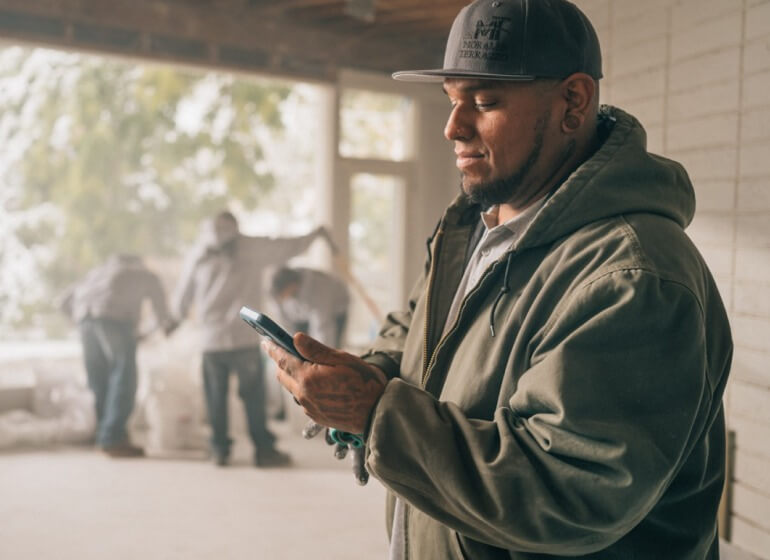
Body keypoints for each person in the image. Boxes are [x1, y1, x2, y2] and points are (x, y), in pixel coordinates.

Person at [262, 0, 734, 558]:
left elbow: (564, 493)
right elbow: (416, 336)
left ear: (573, 102)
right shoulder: (474, 226)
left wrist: (376, 413)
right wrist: (367, 374)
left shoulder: (634, 277)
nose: (453, 127)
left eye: (484, 101)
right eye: (452, 100)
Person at [172, 210, 331, 468]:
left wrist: (176, 317)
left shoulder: (198, 253)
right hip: (242, 337)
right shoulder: (249, 245)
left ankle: (219, 449)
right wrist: (315, 235)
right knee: (253, 398)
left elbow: (183, 295)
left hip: (211, 340)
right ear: (234, 227)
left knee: (215, 398)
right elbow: (286, 247)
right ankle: (263, 451)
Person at [60, 253, 177, 458]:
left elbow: (64, 302)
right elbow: (162, 314)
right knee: (124, 377)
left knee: (99, 380)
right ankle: (113, 438)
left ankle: (103, 434)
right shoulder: (144, 273)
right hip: (115, 320)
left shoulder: (98, 272)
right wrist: (164, 329)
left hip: (85, 321)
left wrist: (80, 319)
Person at [270, 266, 350, 348]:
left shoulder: (318, 287)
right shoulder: (281, 295)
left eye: (284, 295)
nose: (284, 298)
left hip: (335, 312)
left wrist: (322, 355)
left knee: (331, 348)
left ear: (291, 285)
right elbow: (285, 324)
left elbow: (323, 327)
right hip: (304, 316)